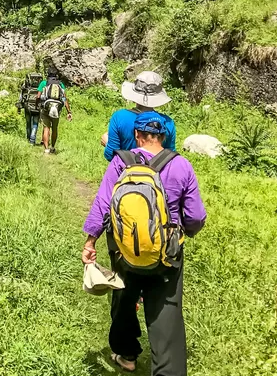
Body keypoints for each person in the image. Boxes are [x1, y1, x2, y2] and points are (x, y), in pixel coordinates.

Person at [82, 115, 207, 375]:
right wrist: (186, 231)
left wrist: (91, 241)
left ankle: (126, 354)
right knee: (166, 315)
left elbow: (103, 203)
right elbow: (195, 217)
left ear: (137, 135)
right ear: (163, 136)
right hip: (167, 256)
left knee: (123, 299)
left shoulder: (121, 162)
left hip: (125, 251)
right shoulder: (181, 165)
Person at [102, 71, 177, 161]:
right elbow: (170, 158)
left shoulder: (119, 117)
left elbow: (111, 155)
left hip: (126, 169)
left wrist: (107, 142)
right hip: (157, 170)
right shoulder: (168, 123)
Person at [39, 67, 72, 154]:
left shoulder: (44, 83)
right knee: (54, 129)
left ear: (48, 74)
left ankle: (46, 149)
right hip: (56, 109)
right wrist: (69, 112)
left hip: (45, 109)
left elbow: (38, 96)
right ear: (56, 75)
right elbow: (64, 99)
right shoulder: (60, 84)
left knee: (46, 128)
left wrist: (37, 105)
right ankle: (53, 147)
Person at [16, 72, 43, 146]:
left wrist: (19, 107)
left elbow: (21, 97)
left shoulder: (25, 86)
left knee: (28, 123)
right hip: (37, 107)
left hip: (27, 106)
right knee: (35, 124)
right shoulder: (41, 86)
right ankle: (32, 139)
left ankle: (28, 138)